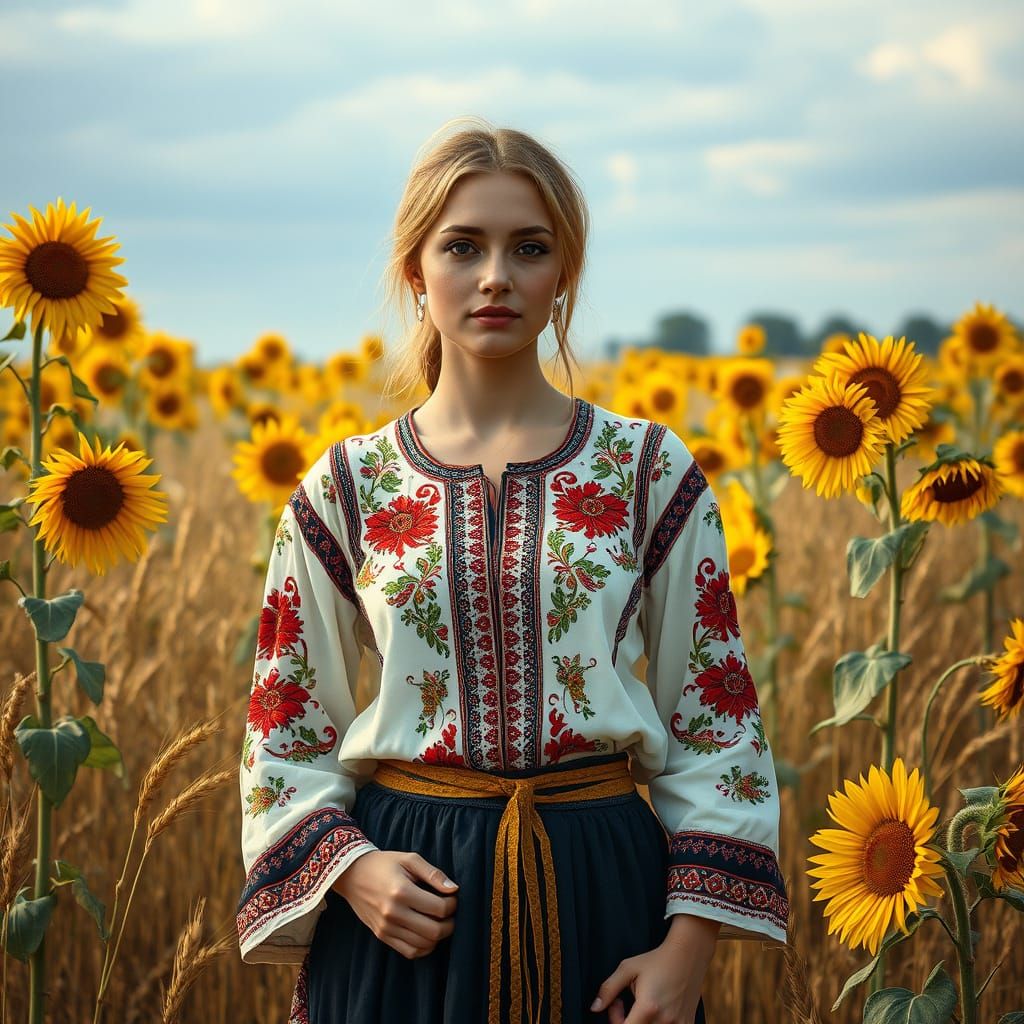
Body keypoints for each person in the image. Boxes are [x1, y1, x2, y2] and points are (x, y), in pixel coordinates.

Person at [236, 117, 789, 1024]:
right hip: (405, 910)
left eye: (529, 248)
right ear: (415, 271)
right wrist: (352, 870)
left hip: (602, 888)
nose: (496, 275)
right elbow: (283, 725)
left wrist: (688, 948)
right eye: (463, 246)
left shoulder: (647, 469)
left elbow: (716, 717)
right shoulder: (347, 486)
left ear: (563, 273)